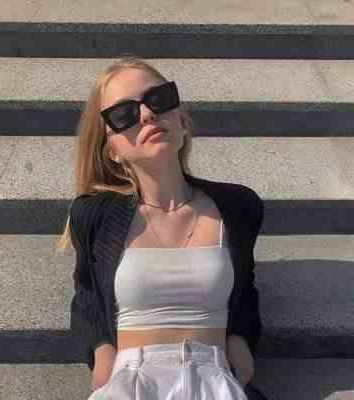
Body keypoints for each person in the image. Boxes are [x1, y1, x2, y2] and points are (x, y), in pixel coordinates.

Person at [58, 57, 268, 400]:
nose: (147, 115)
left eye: (159, 99)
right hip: (131, 384)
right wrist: (101, 350)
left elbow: (245, 290)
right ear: (112, 150)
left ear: (181, 120)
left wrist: (240, 340)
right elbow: (87, 295)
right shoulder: (94, 215)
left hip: (215, 382)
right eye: (124, 114)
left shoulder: (238, 207)